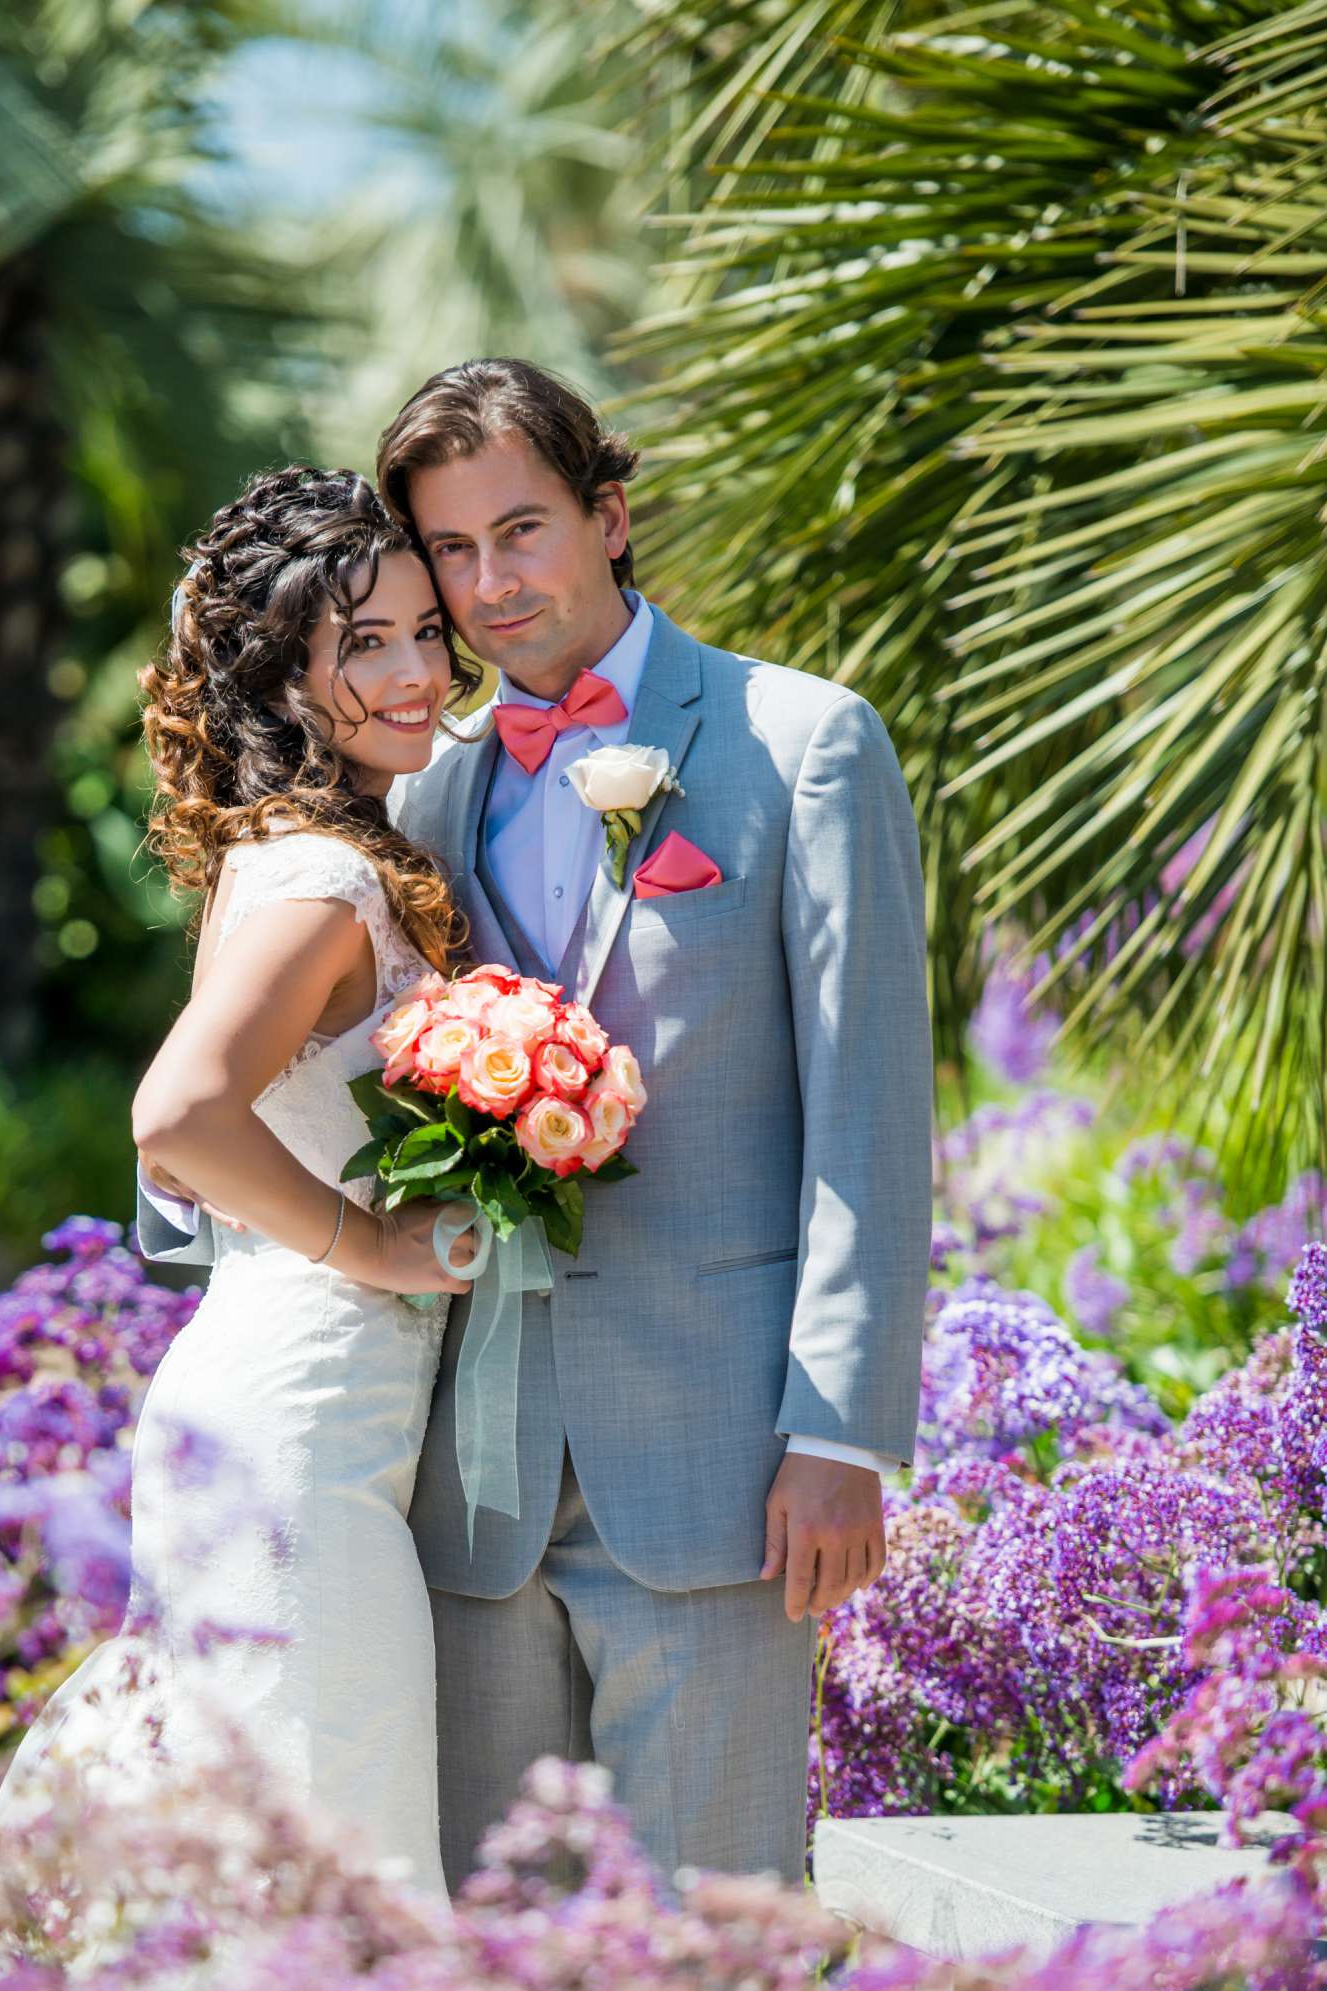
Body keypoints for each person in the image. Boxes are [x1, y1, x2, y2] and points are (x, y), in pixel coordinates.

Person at [374, 358, 933, 1891]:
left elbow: (868, 1120)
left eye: (522, 531)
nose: (489, 586)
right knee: (503, 1979)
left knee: (717, 1971)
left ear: (609, 517)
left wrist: (837, 1434)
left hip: (717, 1475)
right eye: (449, 551)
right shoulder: (426, 795)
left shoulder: (802, 743)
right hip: (474, 1484)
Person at [0, 467, 477, 1898]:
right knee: (324, 1857)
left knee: (275, 1844)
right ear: (283, 678)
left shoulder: (299, 852)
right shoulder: (326, 877)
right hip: (300, 1431)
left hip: (283, 1411)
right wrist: (371, 1246)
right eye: (363, 644)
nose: (411, 670)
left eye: (422, 632)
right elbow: (177, 1116)